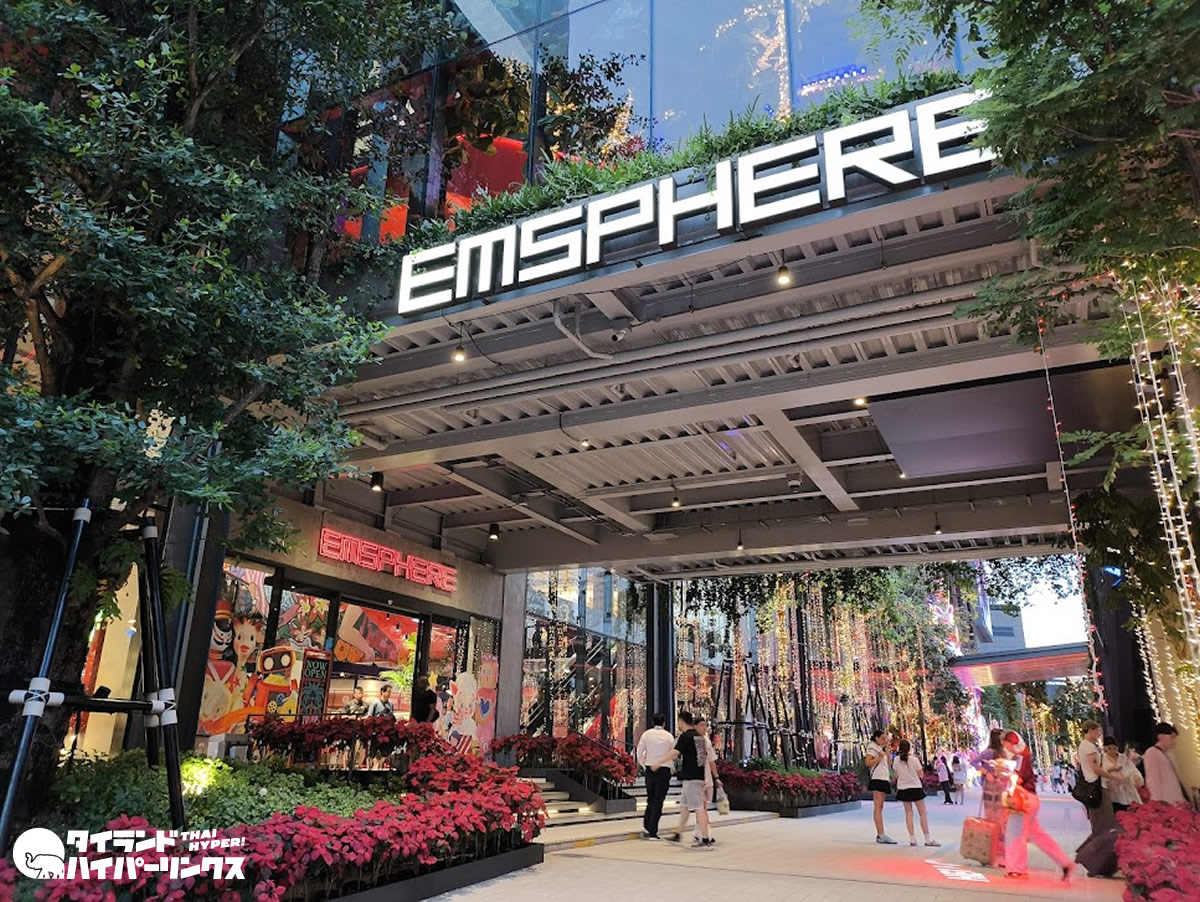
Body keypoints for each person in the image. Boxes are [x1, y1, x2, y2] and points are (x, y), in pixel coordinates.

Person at [999, 730, 1073, 881]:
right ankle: (1065, 863)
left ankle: (1017, 870)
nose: (1005, 748)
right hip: (1030, 799)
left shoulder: (1020, 757)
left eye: (1006, 744)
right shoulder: (1023, 755)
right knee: (1039, 836)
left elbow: (1018, 779)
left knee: (1015, 835)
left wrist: (1003, 774)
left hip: (1022, 800)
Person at [652, 711, 713, 847]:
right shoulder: (700, 737)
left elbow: (675, 752)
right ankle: (678, 833)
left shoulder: (685, 737)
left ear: (681, 721)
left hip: (692, 778)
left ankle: (705, 839)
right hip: (698, 775)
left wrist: (659, 762)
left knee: (698, 808)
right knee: (684, 807)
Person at [973, 729, 1010, 869]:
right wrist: (987, 772)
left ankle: (999, 854)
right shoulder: (990, 752)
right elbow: (974, 762)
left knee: (1001, 823)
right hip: (990, 791)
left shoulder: (1002, 753)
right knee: (994, 823)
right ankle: (996, 855)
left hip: (1001, 790)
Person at [636, 713, 676, 840]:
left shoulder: (647, 734)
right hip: (664, 770)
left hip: (650, 768)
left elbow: (639, 751)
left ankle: (647, 826)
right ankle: (653, 831)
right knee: (659, 800)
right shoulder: (669, 736)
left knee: (651, 798)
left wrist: (644, 764)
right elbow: (674, 753)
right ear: (664, 723)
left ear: (653, 722)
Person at [893, 740, 939, 847]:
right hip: (915, 788)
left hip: (903, 788)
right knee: (922, 813)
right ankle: (927, 839)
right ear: (909, 748)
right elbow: (921, 775)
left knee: (908, 813)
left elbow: (896, 775)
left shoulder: (896, 760)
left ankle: (912, 838)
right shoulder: (914, 760)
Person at [1077, 720, 1115, 829]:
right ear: (1090, 730)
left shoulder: (1086, 745)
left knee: (1100, 818)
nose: (1099, 734)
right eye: (1098, 731)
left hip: (1095, 784)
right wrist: (1115, 777)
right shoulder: (1089, 747)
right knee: (1103, 817)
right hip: (1096, 785)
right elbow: (1096, 769)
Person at [865, 729, 897, 844]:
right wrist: (879, 757)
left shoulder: (881, 748)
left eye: (885, 739)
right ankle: (881, 834)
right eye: (882, 738)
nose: (884, 740)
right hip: (877, 778)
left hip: (884, 777)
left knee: (881, 806)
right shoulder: (872, 747)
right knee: (878, 806)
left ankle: (881, 833)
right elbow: (868, 762)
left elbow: (889, 764)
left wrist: (886, 751)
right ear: (876, 738)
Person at [694, 716, 722, 843]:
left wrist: (716, 777)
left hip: (706, 777)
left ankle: (699, 831)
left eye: (705, 725)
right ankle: (705, 833)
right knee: (702, 807)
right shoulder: (692, 740)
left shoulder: (706, 741)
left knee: (702, 807)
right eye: (701, 725)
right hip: (696, 778)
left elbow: (712, 761)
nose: (704, 728)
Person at [1144, 722, 1187, 804]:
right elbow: (1153, 779)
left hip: (1175, 800)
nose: (1174, 741)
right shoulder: (1152, 753)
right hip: (1166, 802)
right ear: (1161, 736)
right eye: (1172, 737)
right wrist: (1158, 802)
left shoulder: (1168, 754)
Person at [1101, 736, 1142, 812]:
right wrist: (1111, 769)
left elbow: (1133, 770)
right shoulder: (1102, 759)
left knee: (1132, 810)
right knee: (1118, 811)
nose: (1112, 751)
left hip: (1127, 789)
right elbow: (1102, 774)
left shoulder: (1123, 757)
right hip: (1114, 791)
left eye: (1114, 748)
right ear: (1105, 748)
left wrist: (1136, 777)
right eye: (1109, 748)